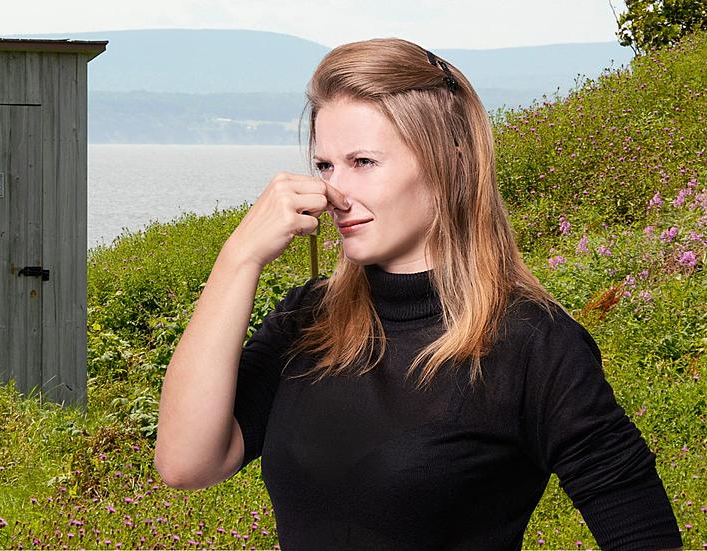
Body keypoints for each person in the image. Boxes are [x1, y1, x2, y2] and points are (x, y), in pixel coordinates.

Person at [154, 37, 683, 550]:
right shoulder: (306, 319)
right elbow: (185, 464)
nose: (335, 192)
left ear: (451, 160)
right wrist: (238, 258)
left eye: (363, 162)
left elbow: (643, 533)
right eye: (324, 165)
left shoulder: (532, 343)